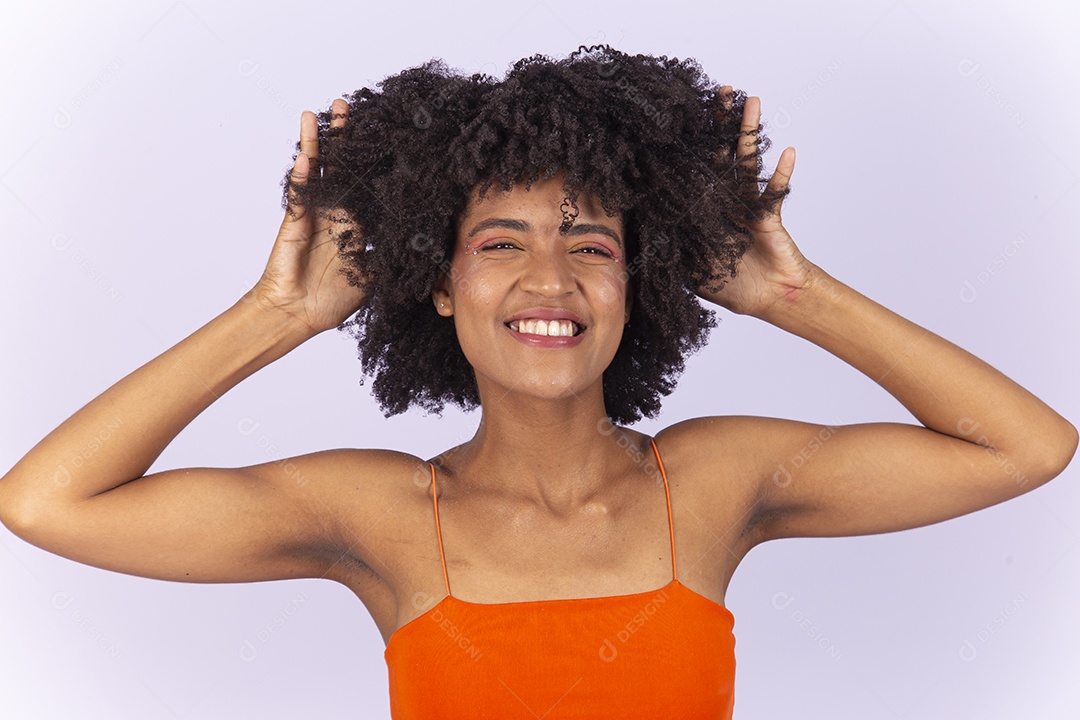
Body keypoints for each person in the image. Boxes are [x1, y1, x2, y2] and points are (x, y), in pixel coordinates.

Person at [0, 45, 1075, 719]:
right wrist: (276, 314)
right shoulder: (377, 512)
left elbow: (1026, 446)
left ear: (637, 278)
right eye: (501, 244)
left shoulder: (712, 481)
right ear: (436, 280)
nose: (550, 280)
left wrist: (798, 297)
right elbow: (46, 502)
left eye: (593, 244)